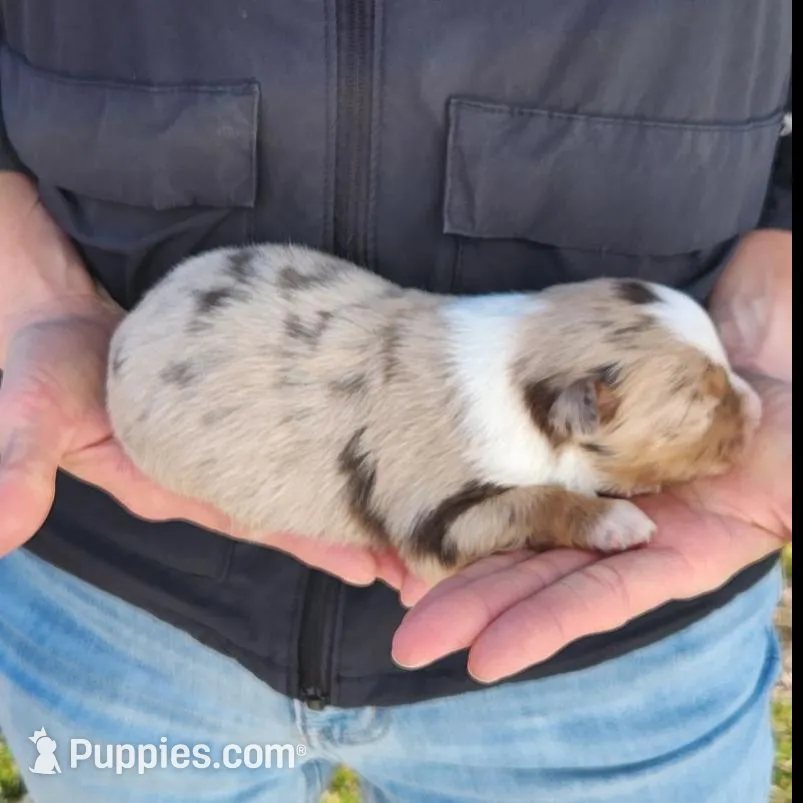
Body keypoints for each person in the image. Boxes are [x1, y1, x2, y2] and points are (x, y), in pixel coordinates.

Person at [0, 3, 791, 801]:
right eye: (704, 399)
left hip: (620, 669)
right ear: (580, 411)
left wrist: (774, 287)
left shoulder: (530, 370)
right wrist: (22, 272)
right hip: (124, 585)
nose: (743, 414)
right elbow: (444, 534)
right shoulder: (483, 438)